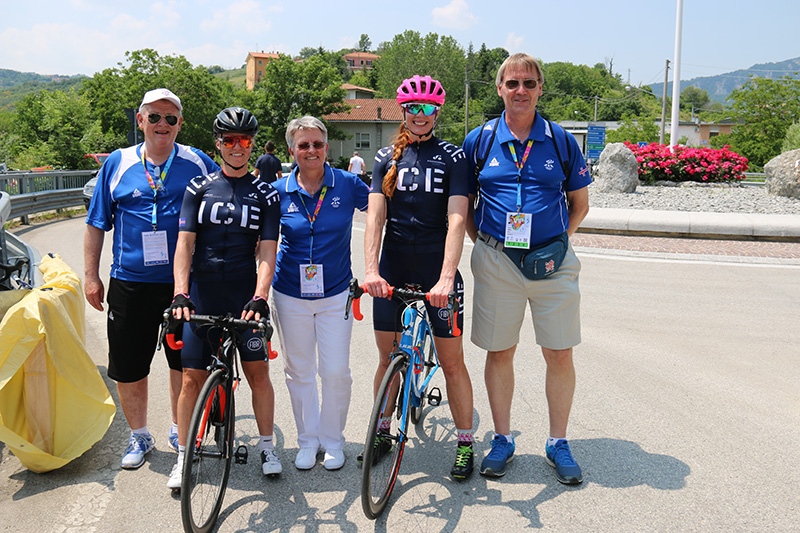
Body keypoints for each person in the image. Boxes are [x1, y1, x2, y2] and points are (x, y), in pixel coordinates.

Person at [463, 53, 591, 484]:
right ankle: (502, 439)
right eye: (512, 83)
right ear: (499, 88)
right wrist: (486, 245)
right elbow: (464, 209)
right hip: (498, 259)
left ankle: (558, 442)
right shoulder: (479, 140)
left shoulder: (560, 140)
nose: (521, 91)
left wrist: (558, 242)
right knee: (500, 351)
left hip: (552, 260)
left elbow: (580, 203)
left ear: (540, 89)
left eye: (529, 84)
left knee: (559, 352)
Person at [84, 88, 219, 470]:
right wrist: (90, 276)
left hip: (184, 284)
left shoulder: (197, 161)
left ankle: (180, 428)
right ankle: (140, 434)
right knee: (129, 365)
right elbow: (96, 223)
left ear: (180, 124)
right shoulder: (118, 162)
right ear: (140, 120)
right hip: (130, 280)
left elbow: (227, 203)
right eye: (154, 117)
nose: (163, 125)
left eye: (171, 118)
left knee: (183, 361)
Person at [363, 75, 475, 480]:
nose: (421, 115)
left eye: (428, 108)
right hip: (393, 267)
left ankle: (465, 442)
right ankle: (380, 430)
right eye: (414, 108)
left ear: (438, 112)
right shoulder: (383, 157)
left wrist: (446, 278)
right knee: (387, 357)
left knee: (451, 363)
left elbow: (457, 217)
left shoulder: (454, 157)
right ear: (403, 111)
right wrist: (371, 270)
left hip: (435, 269)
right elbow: (376, 217)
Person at [167, 107, 282, 489]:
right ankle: (184, 454)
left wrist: (260, 296)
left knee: (258, 374)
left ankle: (267, 446)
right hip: (202, 292)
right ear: (218, 143)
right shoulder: (198, 188)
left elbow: (267, 249)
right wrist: (180, 293)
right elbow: (184, 243)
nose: (237, 147)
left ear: (252, 144)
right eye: (229, 140)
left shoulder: (266, 193)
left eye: (244, 140)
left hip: (242, 294)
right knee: (190, 379)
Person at [271, 116, 370, 471]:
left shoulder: (348, 184)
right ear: (291, 150)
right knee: (298, 370)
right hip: (289, 295)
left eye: (317, 144)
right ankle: (307, 440)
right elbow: (261, 243)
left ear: (327, 148)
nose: (311, 151)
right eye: (303, 145)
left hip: (335, 294)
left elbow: (382, 214)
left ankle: (332, 441)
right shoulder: (277, 191)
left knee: (335, 371)